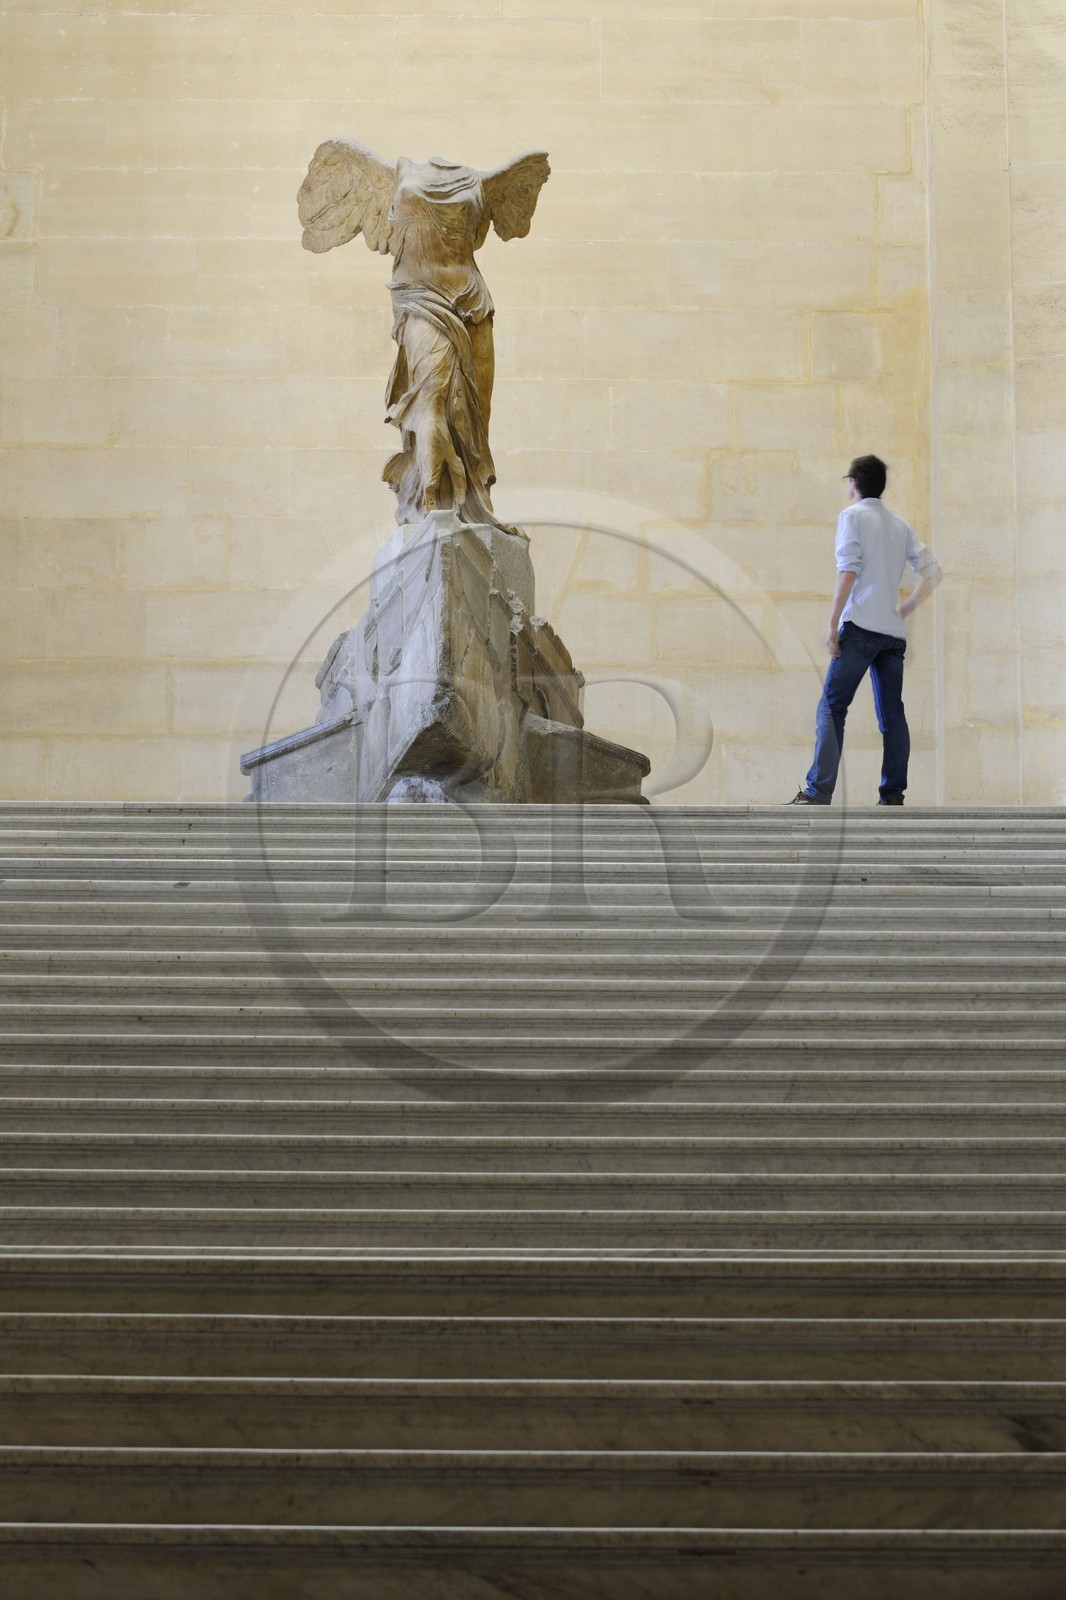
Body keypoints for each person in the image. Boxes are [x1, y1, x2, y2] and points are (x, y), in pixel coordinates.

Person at [790, 455, 941, 806]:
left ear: (854, 482)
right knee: (892, 714)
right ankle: (892, 795)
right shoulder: (901, 526)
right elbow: (934, 572)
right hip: (892, 635)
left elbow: (848, 570)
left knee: (832, 706)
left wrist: (832, 622)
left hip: (859, 626)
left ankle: (818, 791)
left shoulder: (852, 516)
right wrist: (903, 609)